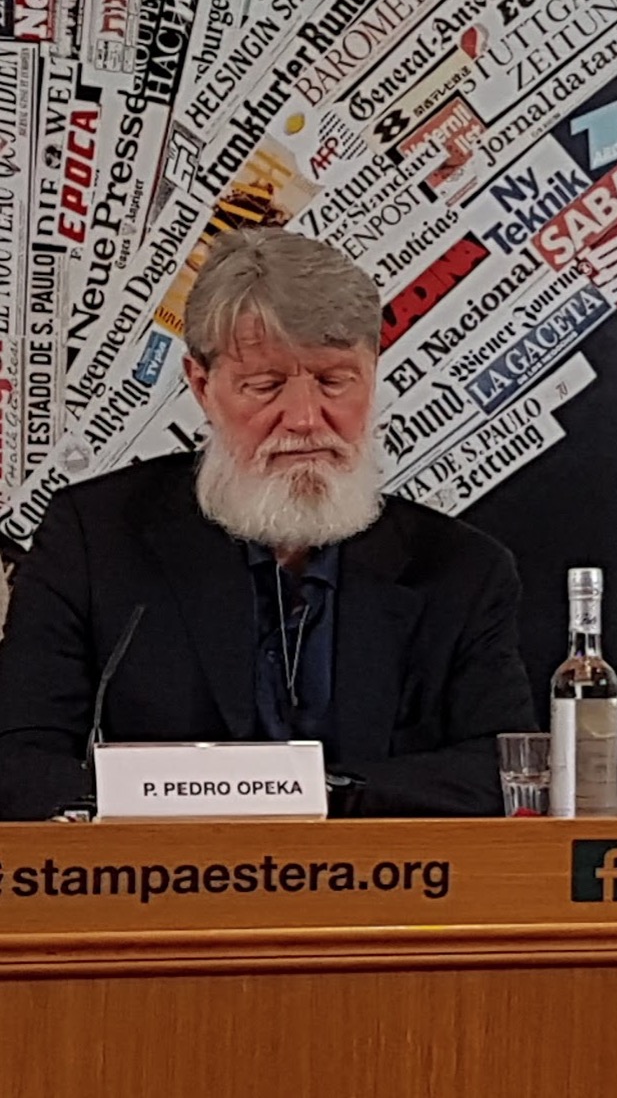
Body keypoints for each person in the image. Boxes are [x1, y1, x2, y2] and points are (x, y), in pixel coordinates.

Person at [0, 229, 535, 819]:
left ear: (372, 374)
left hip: (383, 875)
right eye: (265, 386)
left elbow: (505, 771)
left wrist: (309, 791)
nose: (304, 419)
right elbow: (21, 759)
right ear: (202, 386)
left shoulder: (463, 571)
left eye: (334, 381)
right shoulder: (93, 539)